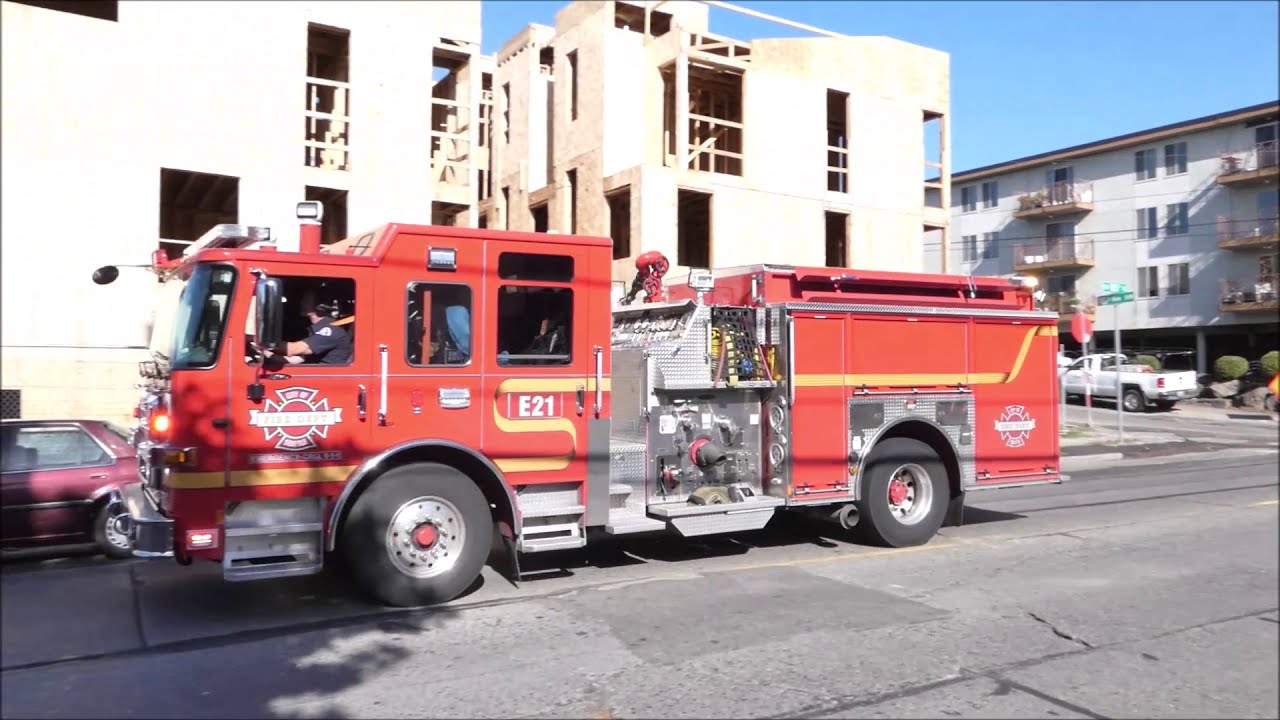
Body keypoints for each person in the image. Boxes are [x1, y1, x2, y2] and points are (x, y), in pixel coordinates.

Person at [256, 288, 353, 365]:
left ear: (320, 305)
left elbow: (293, 349)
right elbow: (294, 360)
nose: (301, 302)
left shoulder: (331, 330)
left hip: (326, 383)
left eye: (305, 300)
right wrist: (262, 353)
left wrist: (259, 340)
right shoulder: (314, 329)